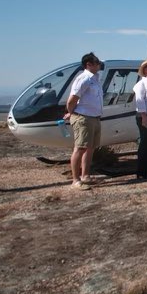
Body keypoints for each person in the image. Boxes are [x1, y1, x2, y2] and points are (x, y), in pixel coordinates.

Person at [63, 52, 104, 190]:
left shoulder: (95, 79)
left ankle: (85, 176)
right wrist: (72, 112)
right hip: (84, 117)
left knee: (90, 148)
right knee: (80, 148)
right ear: (89, 64)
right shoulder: (84, 79)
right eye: (97, 62)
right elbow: (72, 99)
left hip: (94, 117)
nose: (99, 64)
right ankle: (75, 180)